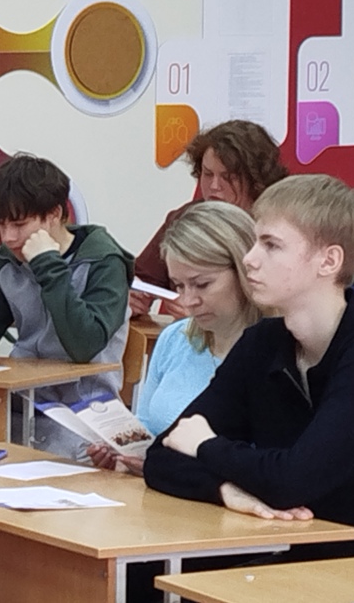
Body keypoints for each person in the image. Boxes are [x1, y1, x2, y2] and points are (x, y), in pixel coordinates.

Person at [145, 174, 354, 560]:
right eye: (255, 242)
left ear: (328, 261)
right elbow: (161, 457)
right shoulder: (263, 343)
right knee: (148, 577)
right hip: (309, 550)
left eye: (271, 245)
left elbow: (292, 481)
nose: (249, 258)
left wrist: (205, 445)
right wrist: (225, 490)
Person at [0, 153, 133, 458]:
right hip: (22, 405)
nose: (9, 238)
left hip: (86, 415)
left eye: (19, 224)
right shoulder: (9, 261)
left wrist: (47, 264)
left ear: (54, 214)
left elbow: (84, 345)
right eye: (1, 225)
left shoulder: (104, 261)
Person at [89, 201, 259, 476]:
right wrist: (124, 458)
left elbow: (266, 462)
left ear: (244, 271)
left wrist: (164, 468)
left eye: (202, 284)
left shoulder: (277, 353)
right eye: (178, 286)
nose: (188, 301)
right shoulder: (175, 338)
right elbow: (147, 427)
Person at [130, 120, 287, 318]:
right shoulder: (184, 219)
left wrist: (204, 315)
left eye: (228, 177)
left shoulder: (279, 228)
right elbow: (142, 279)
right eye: (207, 174)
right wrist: (133, 297)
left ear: (255, 179)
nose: (214, 186)